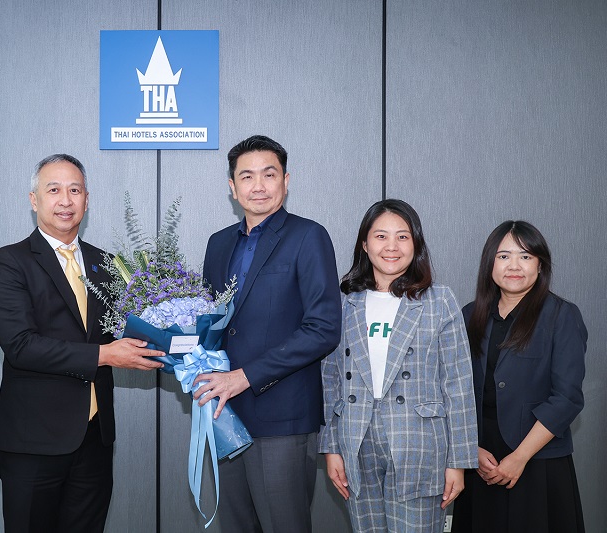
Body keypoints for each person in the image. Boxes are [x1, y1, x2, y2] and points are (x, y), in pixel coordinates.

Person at [0, 154, 164, 533]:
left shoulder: (108, 263)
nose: (65, 200)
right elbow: (21, 346)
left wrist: (178, 333)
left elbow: (130, 331)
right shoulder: (10, 261)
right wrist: (104, 354)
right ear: (34, 200)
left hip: (94, 439)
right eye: (53, 190)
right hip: (33, 441)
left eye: (75, 190)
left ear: (87, 199)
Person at [193, 135, 342, 532]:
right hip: (224, 415)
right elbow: (210, 324)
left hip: (282, 417)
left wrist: (244, 377)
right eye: (247, 176)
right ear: (232, 187)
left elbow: (324, 329)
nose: (258, 185)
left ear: (285, 181)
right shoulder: (218, 244)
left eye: (269, 174)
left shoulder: (308, 236)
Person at [319, 199, 478, 532]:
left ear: (416, 244)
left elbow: (458, 385)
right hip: (355, 440)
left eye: (402, 237)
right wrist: (331, 447)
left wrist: (459, 462)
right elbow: (331, 379)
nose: (391, 246)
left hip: (419, 443)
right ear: (365, 244)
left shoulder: (438, 300)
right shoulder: (344, 303)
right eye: (380, 236)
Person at [451, 221, 586, 533]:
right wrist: (470, 449)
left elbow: (567, 398)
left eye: (525, 256)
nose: (514, 266)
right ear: (490, 264)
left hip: (537, 456)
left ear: (540, 264)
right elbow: (454, 390)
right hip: (481, 458)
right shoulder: (469, 315)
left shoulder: (562, 315)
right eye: (503, 256)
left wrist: (519, 458)